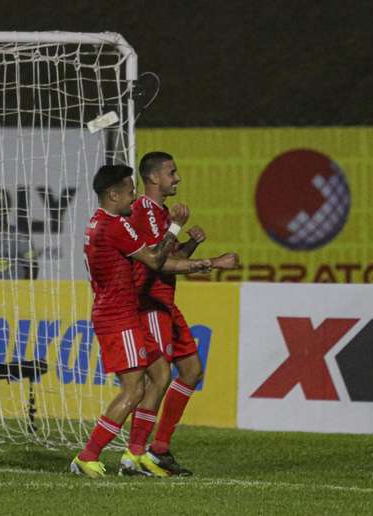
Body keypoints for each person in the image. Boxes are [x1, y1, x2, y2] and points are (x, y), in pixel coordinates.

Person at [70, 164, 212, 478]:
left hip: (126, 313)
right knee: (133, 391)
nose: (133, 198)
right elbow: (155, 260)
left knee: (161, 374)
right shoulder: (115, 226)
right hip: (117, 317)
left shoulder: (99, 223)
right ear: (113, 194)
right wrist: (175, 227)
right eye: (130, 192)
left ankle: (134, 455)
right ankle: (87, 455)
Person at [122, 151, 239, 477]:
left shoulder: (160, 212)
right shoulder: (143, 211)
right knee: (157, 378)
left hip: (166, 303)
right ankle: (133, 455)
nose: (178, 178)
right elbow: (158, 263)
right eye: (172, 173)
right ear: (154, 178)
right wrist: (213, 263)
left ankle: (159, 450)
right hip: (149, 305)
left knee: (191, 371)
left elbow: (171, 258)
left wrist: (191, 246)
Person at [0, 190, 38, 280]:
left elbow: (33, 266)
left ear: (5, 211)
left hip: (12, 290)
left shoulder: (18, 237)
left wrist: (26, 291)